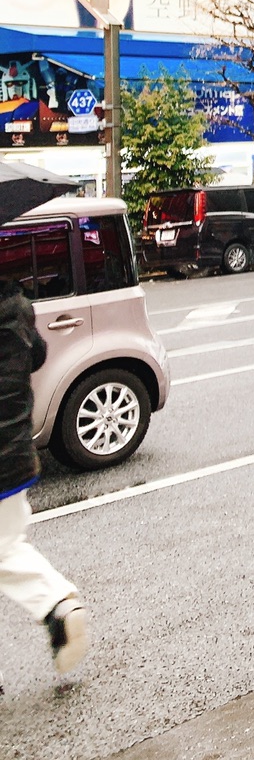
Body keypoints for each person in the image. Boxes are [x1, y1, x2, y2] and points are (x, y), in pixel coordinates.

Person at [1, 260, 91, 683]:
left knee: (5, 551)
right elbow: (36, 355)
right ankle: (58, 604)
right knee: (6, 545)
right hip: (15, 454)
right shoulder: (14, 304)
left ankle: (56, 605)